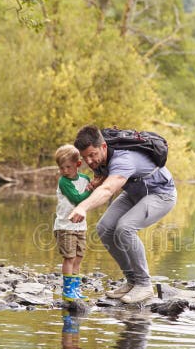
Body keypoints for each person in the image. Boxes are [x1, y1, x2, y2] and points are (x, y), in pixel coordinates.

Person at [70, 125, 176, 304]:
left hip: (161, 194)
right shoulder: (102, 157)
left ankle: (144, 285)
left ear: (103, 147)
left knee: (125, 228)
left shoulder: (123, 159)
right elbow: (105, 180)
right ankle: (132, 281)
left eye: (92, 154)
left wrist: (83, 207)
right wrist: (99, 179)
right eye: (85, 157)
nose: (89, 161)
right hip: (136, 193)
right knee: (104, 228)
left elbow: (108, 189)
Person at [53, 144, 91, 301]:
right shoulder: (64, 182)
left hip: (80, 226)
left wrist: (94, 185)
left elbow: (92, 198)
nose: (65, 171)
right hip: (65, 227)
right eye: (62, 168)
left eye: (68, 167)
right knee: (69, 257)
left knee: (79, 256)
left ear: (78, 164)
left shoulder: (85, 179)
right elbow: (77, 199)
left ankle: (75, 289)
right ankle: (67, 290)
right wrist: (91, 189)